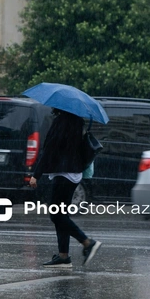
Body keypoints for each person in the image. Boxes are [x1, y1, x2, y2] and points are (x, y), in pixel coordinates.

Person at [29, 108, 102, 268]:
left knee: (57, 215)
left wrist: (36, 174)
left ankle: (87, 242)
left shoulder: (61, 122)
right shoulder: (77, 122)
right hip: (73, 173)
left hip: (64, 174)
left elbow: (49, 150)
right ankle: (63, 256)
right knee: (61, 215)